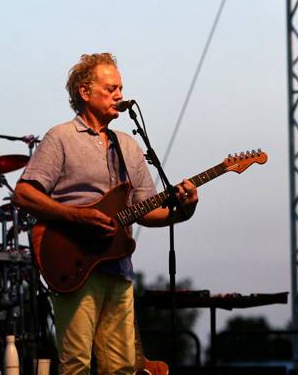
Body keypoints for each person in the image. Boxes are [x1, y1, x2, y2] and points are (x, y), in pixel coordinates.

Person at [12, 53, 199, 374]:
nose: (119, 96)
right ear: (85, 92)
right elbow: (24, 193)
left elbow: (147, 210)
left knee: (122, 367)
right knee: (77, 364)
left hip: (118, 268)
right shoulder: (61, 137)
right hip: (73, 264)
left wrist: (184, 211)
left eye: (121, 88)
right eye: (111, 88)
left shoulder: (128, 146)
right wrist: (76, 216)